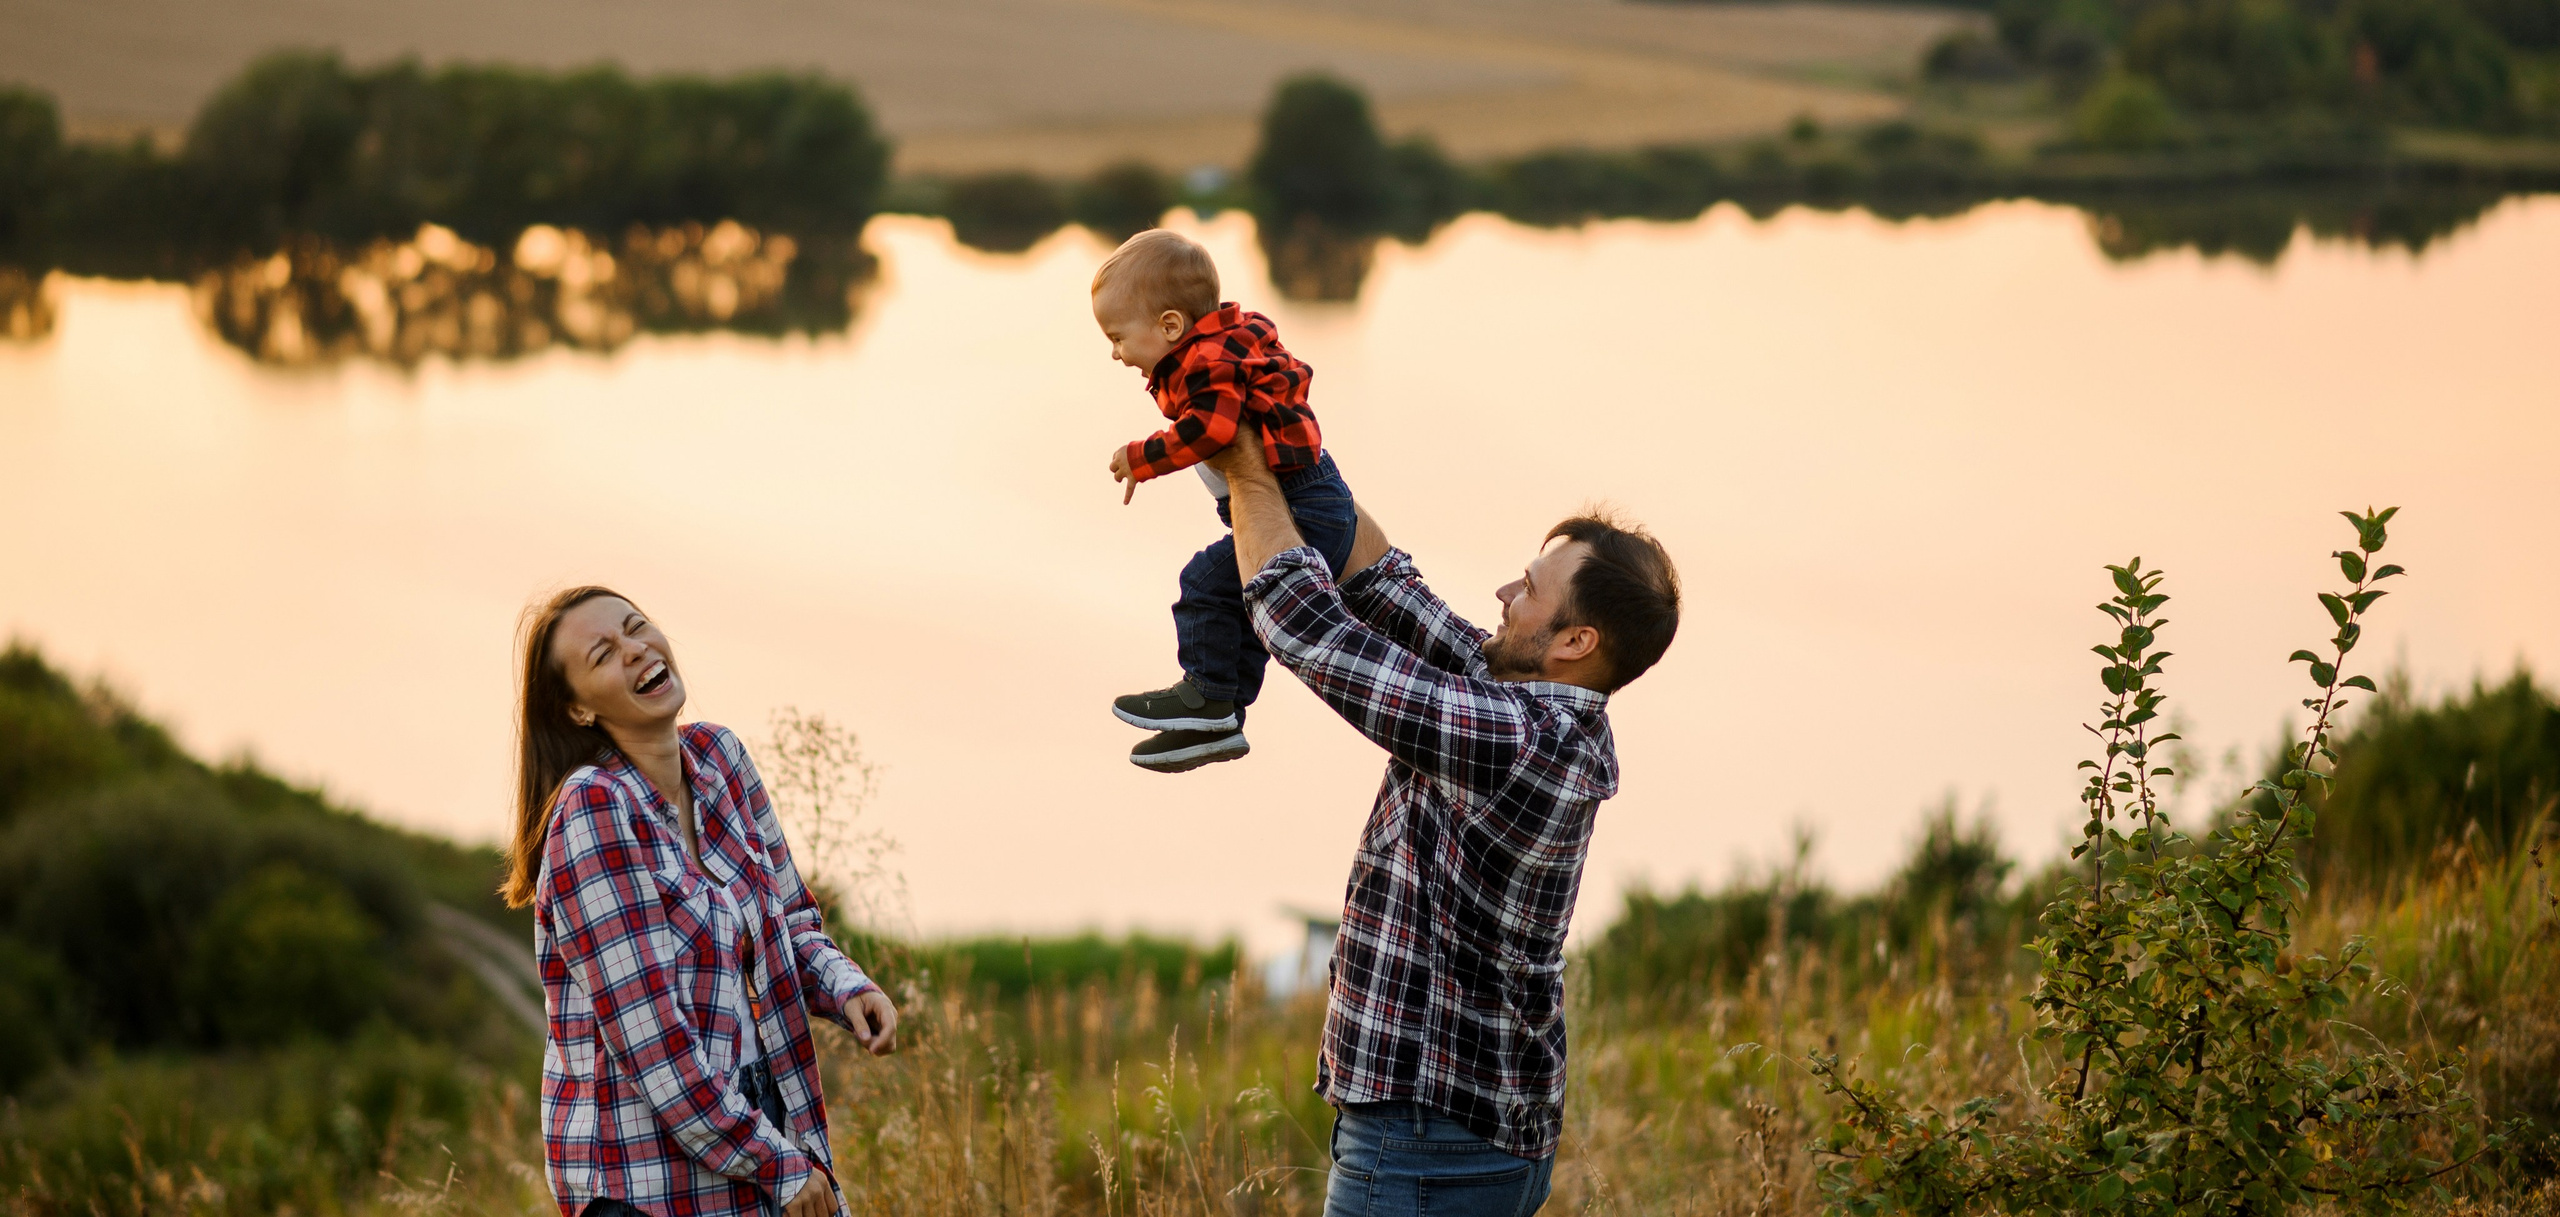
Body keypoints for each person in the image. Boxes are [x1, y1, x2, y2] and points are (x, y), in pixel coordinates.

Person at [1201, 432, 1680, 1217]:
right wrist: (1282, 432)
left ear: (1575, 641)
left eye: (1529, 589)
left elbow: (1310, 631)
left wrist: (1242, 468)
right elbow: (1391, 591)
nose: (1504, 592)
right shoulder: (1538, 711)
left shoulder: (1520, 741)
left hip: (1429, 1143)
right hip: (1465, 1132)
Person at [500, 586, 901, 1217]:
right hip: (645, 1178)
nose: (635, 649)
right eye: (604, 654)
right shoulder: (594, 811)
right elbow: (652, 1044)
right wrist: (777, 1165)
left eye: (637, 627)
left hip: (757, 1120)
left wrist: (844, 987)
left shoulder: (721, 759)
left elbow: (790, 918)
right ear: (577, 709)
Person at [1092, 228, 1358, 773]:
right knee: (1244, 606)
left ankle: (1206, 696)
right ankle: (1221, 720)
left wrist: (1142, 457)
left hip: (1299, 508)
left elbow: (1214, 430)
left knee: (1203, 585)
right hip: (1316, 501)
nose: (1116, 355)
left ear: (1170, 325)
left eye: (1118, 338)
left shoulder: (1206, 362)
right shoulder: (1224, 344)